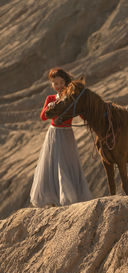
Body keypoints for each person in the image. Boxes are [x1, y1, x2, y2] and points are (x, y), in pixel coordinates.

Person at [30, 68, 92, 207]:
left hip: (67, 134)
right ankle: (58, 198)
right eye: (55, 83)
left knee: (67, 164)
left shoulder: (70, 97)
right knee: (55, 164)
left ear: (66, 82)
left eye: (61, 82)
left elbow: (81, 114)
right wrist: (49, 109)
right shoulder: (50, 99)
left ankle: (69, 197)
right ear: (52, 85)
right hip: (54, 134)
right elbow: (42, 117)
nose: (58, 86)